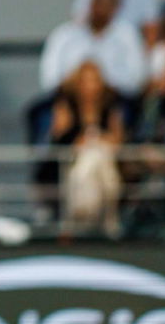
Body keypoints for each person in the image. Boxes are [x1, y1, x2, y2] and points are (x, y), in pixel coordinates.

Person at [50, 61, 126, 234]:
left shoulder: (109, 105)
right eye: (86, 81)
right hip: (73, 160)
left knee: (98, 156)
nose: (91, 86)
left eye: (94, 80)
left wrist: (98, 141)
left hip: (101, 161)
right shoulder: (67, 104)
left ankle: (84, 210)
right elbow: (60, 138)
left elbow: (118, 141)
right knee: (93, 159)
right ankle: (109, 219)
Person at [40, 0, 147, 97]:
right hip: (68, 96)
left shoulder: (127, 35)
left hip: (115, 98)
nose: (101, 10)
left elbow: (137, 76)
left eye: (107, 6)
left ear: (115, 9)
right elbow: (50, 77)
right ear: (89, 5)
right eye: (98, 4)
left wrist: (104, 86)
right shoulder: (64, 35)